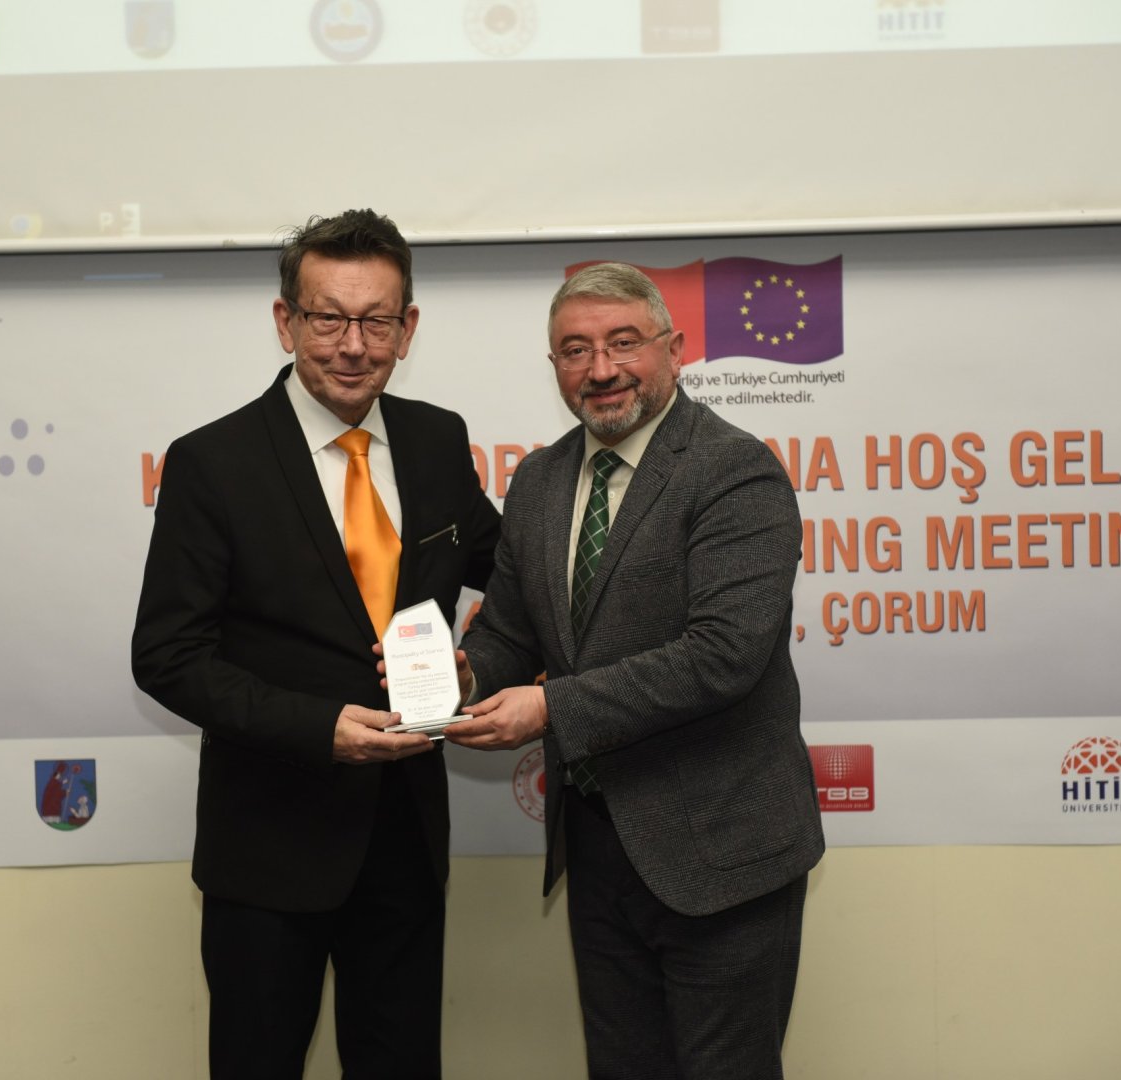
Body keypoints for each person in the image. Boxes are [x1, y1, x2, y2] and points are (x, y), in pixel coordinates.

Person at [131, 208, 501, 1079]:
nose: (352, 345)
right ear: (285, 320)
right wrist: (316, 728)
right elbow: (167, 655)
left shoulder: (437, 439)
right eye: (328, 318)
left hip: (406, 842)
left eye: (376, 320)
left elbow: (511, 574)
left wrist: (481, 663)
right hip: (269, 847)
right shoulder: (213, 462)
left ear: (407, 328)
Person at [444, 262, 825, 1079]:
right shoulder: (540, 480)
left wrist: (551, 711)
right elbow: (511, 629)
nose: (601, 368)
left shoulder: (733, 469)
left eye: (624, 343)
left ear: (674, 349)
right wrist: (464, 677)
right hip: (598, 845)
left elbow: (723, 656)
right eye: (575, 350)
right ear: (554, 365)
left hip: (722, 850)